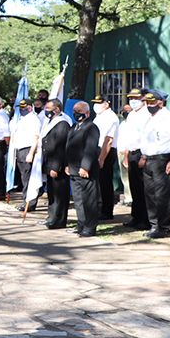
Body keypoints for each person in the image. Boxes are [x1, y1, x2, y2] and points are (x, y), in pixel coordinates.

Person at [138, 89, 170, 239]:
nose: (149, 105)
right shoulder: (150, 117)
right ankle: (154, 225)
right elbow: (147, 141)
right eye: (147, 102)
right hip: (149, 160)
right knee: (150, 194)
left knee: (162, 195)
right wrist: (144, 156)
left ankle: (163, 227)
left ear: (160, 102)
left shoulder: (168, 117)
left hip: (162, 160)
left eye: (152, 102)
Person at [65, 101, 101, 237]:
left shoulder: (91, 127)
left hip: (85, 170)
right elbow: (68, 147)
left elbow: (90, 149)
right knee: (78, 199)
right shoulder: (74, 127)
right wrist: (67, 164)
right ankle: (81, 223)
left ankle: (90, 226)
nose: (76, 114)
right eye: (75, 111)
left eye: (79, 111)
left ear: (87, 113)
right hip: (73, 169)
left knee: (89, 199)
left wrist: (85, 167)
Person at [119, 88, 151, 229]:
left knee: (143, 188)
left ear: (143, 99)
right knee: (134, 188)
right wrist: (126, 155)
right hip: (131, 153)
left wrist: (144, 156)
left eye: (136, 98)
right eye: (131, 98)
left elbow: (146, 137)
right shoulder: (131, 115)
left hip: (142, 153)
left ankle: (145, 219)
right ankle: (136, 217)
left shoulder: (147, 114)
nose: (133, 101)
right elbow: (128, 137)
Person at [40, 99, 71, 229]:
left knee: (60, 194)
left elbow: (60, 147)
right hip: (49, 162)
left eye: (49, 108)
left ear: (57, 109)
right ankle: (51, 216)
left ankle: (59, 220)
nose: (46, 111)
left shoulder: (62, 123)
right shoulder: (50, 122)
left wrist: (55, 167)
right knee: (52, 193)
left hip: (57, 165)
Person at [91, 96, 119, 219]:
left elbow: (108, 140)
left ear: (107, 104)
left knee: (105, 182)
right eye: (95, 103)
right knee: (98, 182)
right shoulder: (100, 116)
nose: (97, 105)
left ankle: (106, 211)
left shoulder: (110, 117)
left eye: (100, 103)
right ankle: (98, 208)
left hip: (105, 151)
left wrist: (101, 158)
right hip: (96, 149)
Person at [11, 99, 39, 209]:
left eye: (24, 107)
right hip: (19, 149)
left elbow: (36, 137)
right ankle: (25, 200)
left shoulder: (33, 119)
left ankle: (29, 203)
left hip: (27, 150)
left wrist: (31, 153)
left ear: (30, 107)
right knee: (24, 177)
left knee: (28, 178)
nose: (22, 109)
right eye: (21, 107)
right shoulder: (21, 119)